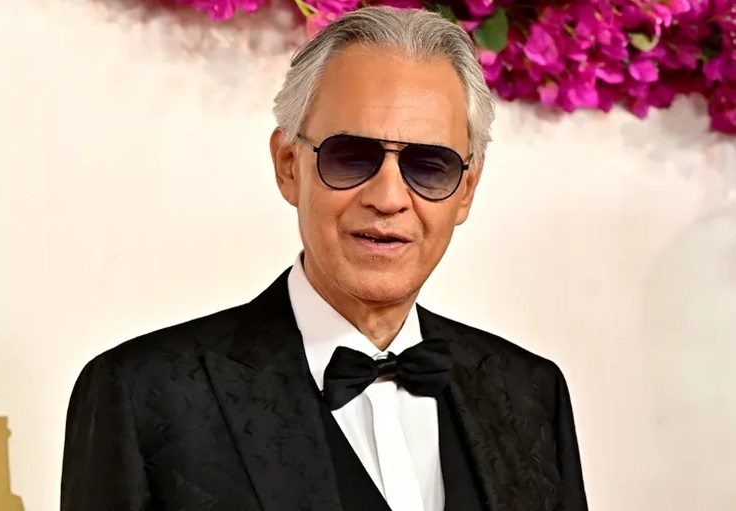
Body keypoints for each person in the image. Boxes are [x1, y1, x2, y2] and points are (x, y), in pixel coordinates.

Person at [61, 6, 588, 511]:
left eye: (429, 166)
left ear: (466, 190)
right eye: (351, 157)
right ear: (289, 166)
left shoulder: (531, 392)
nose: (388, 198)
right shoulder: (143, 393)